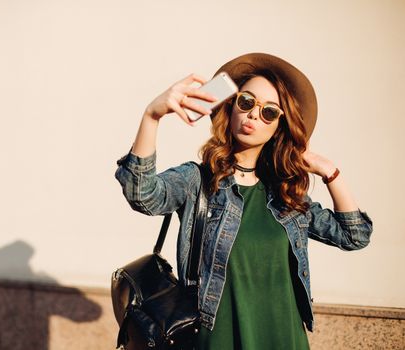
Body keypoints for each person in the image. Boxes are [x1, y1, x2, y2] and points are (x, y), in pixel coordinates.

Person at [114, 52, 374, 349]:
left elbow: (355, 236)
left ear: (280, 126)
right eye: (247, 102)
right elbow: (141, 194)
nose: (253, 115)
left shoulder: (287, 197)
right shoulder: (197, 181)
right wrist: (152, 115)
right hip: (218, 336)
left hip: (284, 336)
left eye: (269, 112)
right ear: (231, 107)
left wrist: (330, 172)